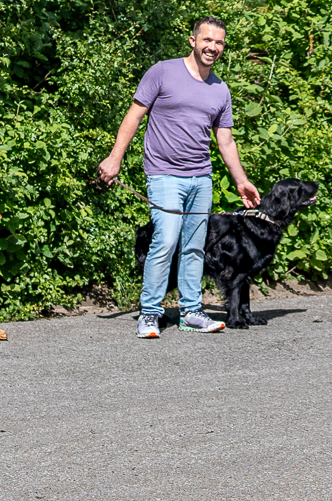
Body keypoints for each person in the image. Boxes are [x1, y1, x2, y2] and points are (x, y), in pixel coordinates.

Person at [96, 17, 261, 339]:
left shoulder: (220, 89)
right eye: (207, 40)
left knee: (195, 247)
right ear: (193, 40)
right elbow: (134, 115)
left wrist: (241, 180)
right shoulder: (163, 72)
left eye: (220, 43)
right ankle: (150, 313)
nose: (213, 47)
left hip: (201, 178)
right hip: (163, 174)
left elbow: (225, 140)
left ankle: (191, 312)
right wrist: (114, 158)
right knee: (167, 240)